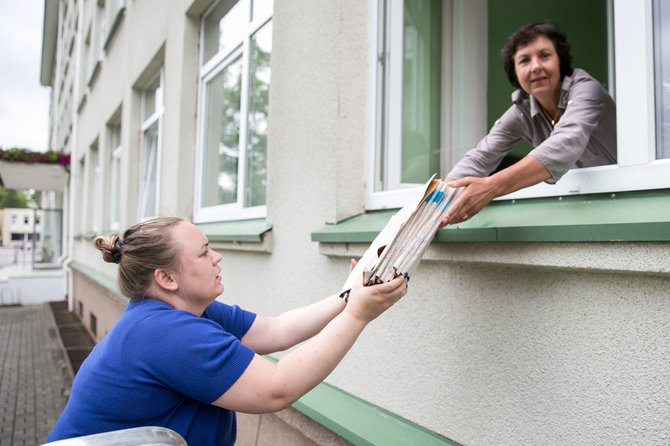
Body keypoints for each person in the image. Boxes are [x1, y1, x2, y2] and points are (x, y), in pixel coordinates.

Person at [47, 217, 408, 445]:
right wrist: (358, 315)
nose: (217, 257)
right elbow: (276, 390)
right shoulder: (166, 333)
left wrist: (349, 295)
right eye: (204, 253)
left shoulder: (189, 312)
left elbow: (277, 330)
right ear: (167, 278)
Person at [441, 22, 616, 226]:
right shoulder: (520, 111)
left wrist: (491, 186)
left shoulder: (587, 90)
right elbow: (480, 158)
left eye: (544, 55)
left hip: (619, 197)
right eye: (524, 60)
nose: (535, 67)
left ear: (560, 61)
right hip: (575, 206)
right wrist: (436, 201)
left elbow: (566, 142)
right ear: (515, 73)